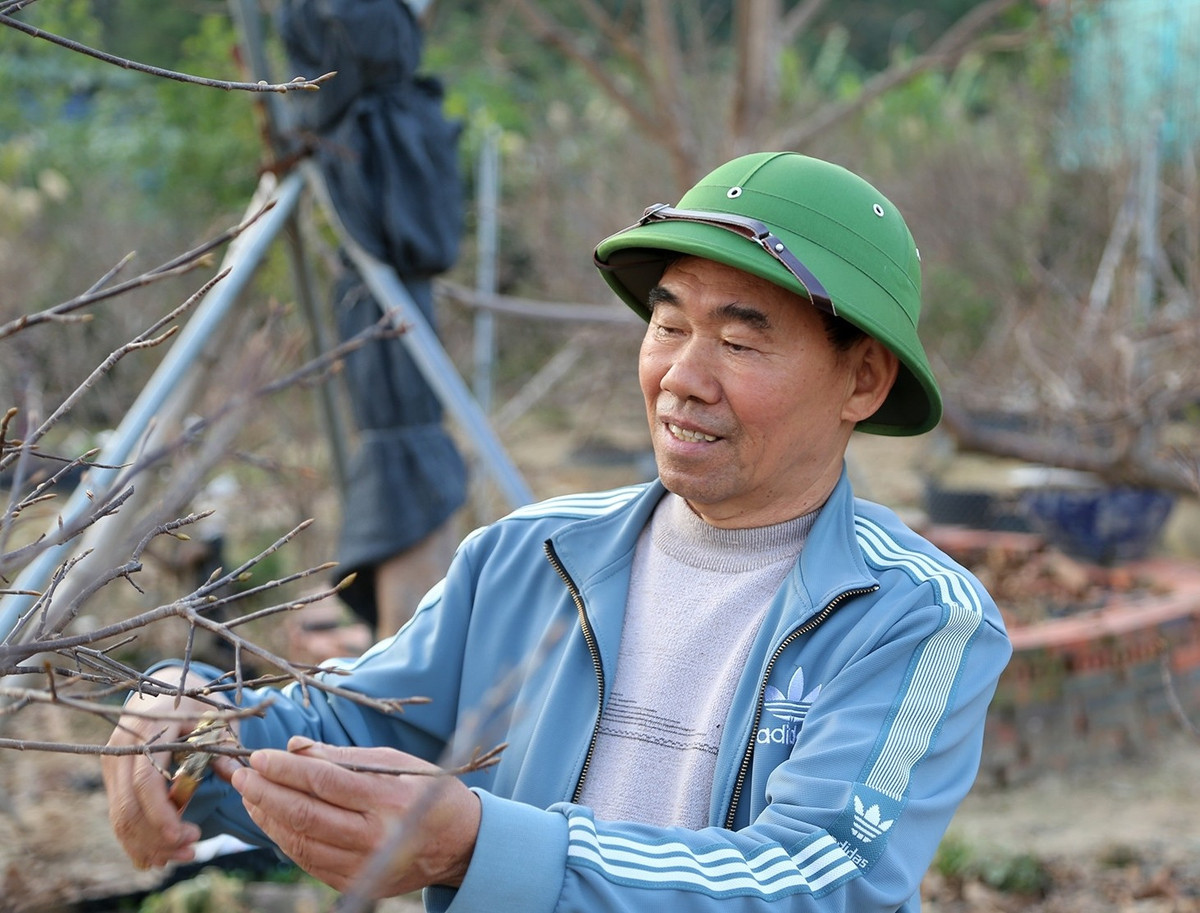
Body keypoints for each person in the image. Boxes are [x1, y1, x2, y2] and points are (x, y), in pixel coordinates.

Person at [103, 152, 1012, 912]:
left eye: (740, 342)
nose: (683, 377)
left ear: (862, 381)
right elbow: (344, 724)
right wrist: (191, 726)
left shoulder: (921, 620)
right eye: (667, 324)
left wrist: (482, 846)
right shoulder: (529, 555)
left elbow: (821, 877)